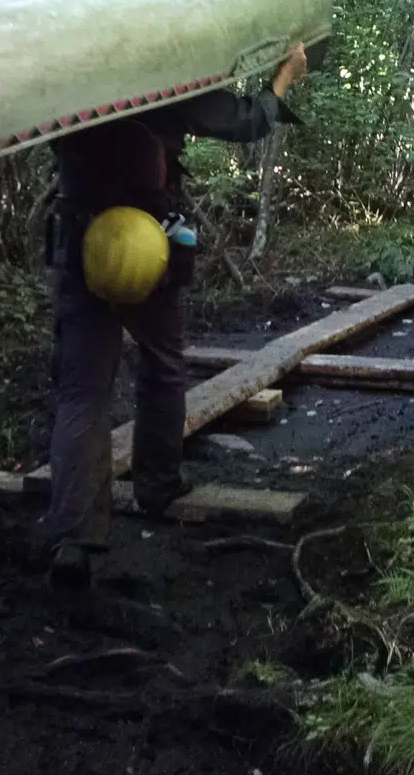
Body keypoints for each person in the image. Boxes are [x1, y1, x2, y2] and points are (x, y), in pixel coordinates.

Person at [39, 42, 310, 587]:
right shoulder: (162, 74)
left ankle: (74, 536)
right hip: (148, 246)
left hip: (83, 245)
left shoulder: (63, 78)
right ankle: (158, 488)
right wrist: (285, 78)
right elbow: (245, 121)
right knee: (162, 365)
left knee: (82, 392)